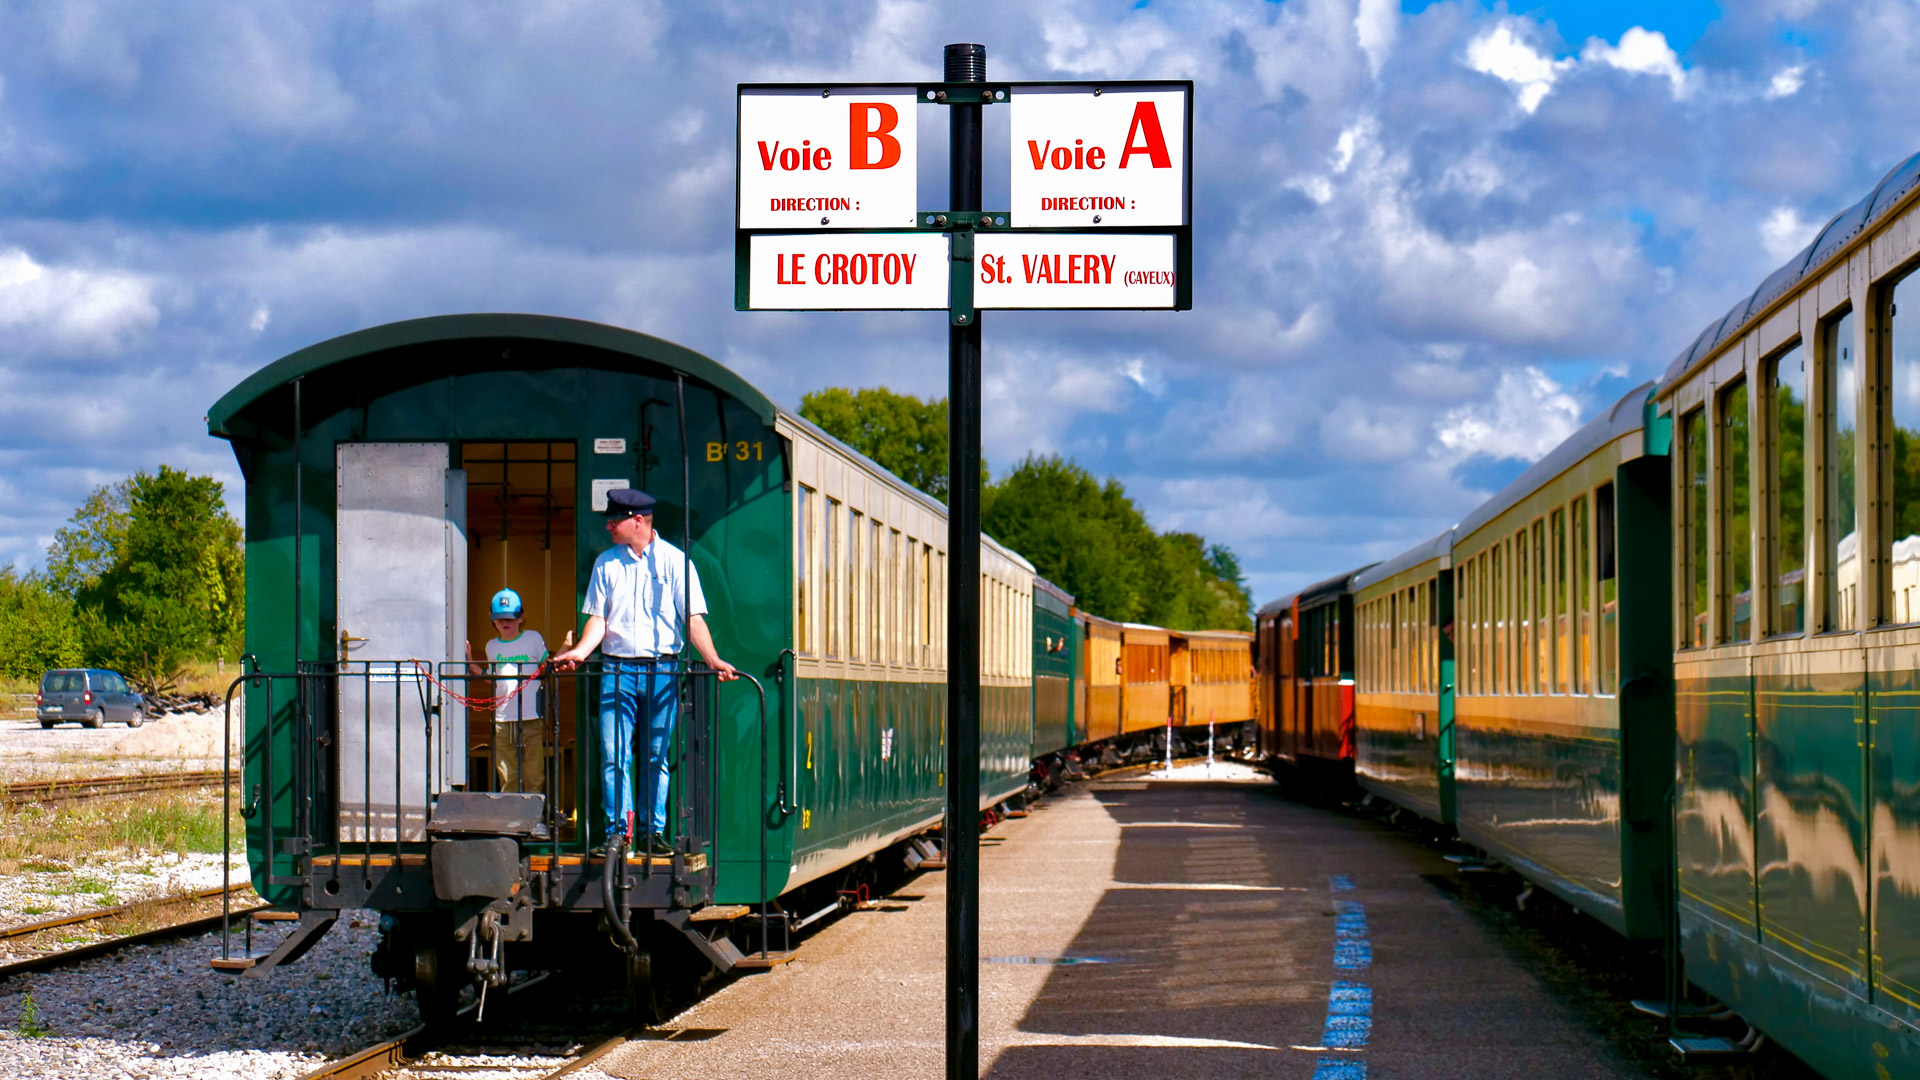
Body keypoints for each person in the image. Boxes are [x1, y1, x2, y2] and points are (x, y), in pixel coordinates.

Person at [552, 488, 738, 855]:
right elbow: (598, 621)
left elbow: (693, 620)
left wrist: (713, 660)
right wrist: (579, 652)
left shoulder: (675, 562)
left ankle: (651, 834)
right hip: (617, 669)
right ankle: (618, 834)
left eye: (614, 520)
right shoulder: (606, 563)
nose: (608, 526)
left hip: (662, 670)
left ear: (637, 521)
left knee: (655, 755)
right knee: (613, 752)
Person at [475, 588, 547, 794]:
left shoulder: (533, 638)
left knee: (534, 772)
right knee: (508, 773)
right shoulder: (492, 646)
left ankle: (535, 819)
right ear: (493, 620)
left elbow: (546, 667)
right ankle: (511, 818)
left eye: (511, 618)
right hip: (502, 717)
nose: (506, 622)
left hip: (531, 715)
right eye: (500, 619)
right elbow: (493, 679)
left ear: (522, 617)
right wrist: (473, 665)